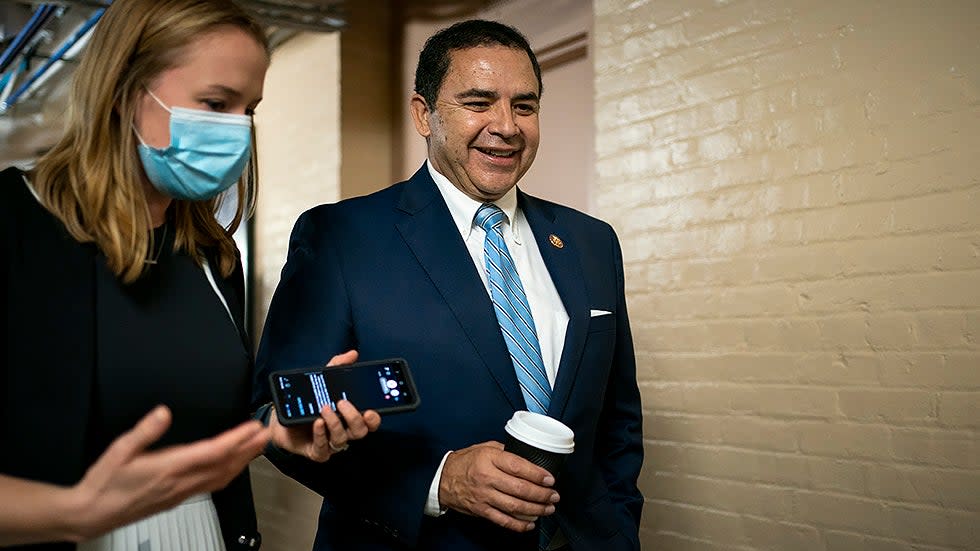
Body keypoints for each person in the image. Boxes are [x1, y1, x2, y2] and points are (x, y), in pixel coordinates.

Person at [0, 1, 379, 550]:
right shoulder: (15, 223)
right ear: (126, 89)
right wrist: (70, 513)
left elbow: (212, 431)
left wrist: (275, 431)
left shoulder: (212, 255)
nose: (238, 130)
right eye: (216, 103)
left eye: (249, 108)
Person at [253, 19, 643, 551]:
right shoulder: (341, 237)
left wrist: (617, 532)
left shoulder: (592, 242)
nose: (506, 126)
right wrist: (440, 481)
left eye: (524, 106)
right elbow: (277, 419)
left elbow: (619, 421)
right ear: (423, 114)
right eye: (479, 103)